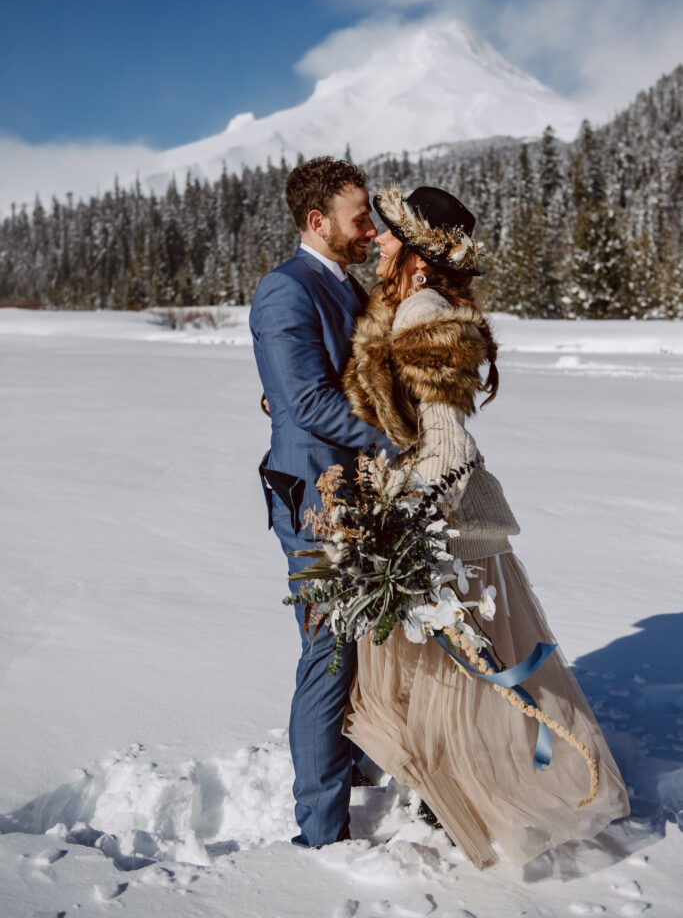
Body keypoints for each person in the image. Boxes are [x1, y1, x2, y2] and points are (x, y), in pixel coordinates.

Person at [341, 184, 630, 868]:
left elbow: (449, 445)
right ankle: (448, 791)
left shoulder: (422, 309)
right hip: (430, 513)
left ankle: (480, 796)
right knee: (455, 677)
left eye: (389, 233)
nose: (378, 241)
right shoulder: (407, 304)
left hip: (441, 523)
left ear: (417, 251)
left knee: (464, 679)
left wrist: (404, 519)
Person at [249, 157, 394, 848]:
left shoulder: (347, 286)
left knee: (360, 642)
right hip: (315, 500)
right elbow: (305, 400)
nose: (369, 229)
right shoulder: (285, 289)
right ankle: (319, 831)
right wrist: (395, 442)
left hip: (358, 491)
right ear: (317, 221)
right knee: (328, 653)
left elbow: (322, 379)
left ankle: (356, 762)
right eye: (358, 217)